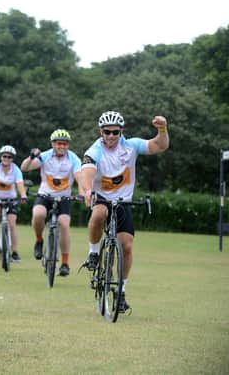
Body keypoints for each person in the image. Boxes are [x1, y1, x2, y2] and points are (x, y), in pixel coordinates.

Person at [79, 111, 169, 311]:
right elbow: (87, 172)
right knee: (99, 213)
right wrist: (87, 191)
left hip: (123, 202)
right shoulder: (94, 150)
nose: (111, 136)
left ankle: (121, 292)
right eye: (107, 132)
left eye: (115, 132)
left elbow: (160, 145)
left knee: (126, 246)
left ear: (121, 132)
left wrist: (162, 129)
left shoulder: (131, 146)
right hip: (101, 197)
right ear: (100, 131)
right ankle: (93, 253)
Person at [20, 129, 82, 276]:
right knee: (38, 214)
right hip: (45, 195)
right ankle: (39, 240)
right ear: (53, 144)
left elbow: (80, 177)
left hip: (64, 198)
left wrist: (81, 193)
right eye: (59, 143)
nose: (62, 146)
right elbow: (25, 168)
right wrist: (31, 157)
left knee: (64, 224)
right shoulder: (45, 156)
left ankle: (65, 263)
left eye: (65, 144)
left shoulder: (74, 159)